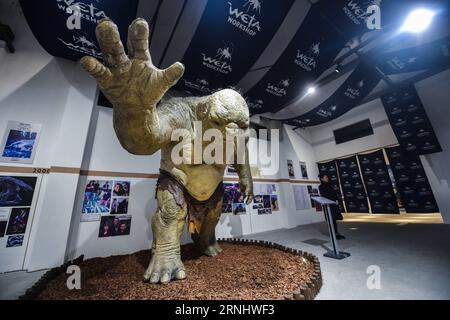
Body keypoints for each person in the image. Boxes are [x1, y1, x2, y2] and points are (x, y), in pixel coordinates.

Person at [318, 173, 345, 240]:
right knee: (331, 220)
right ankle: (333, 235)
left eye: (327, 177)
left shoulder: (330, 185)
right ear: (322, 179)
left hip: (334, 205)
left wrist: (336, 200)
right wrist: (333, 200)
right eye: (325, 177)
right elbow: (325, 196)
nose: (327, 178)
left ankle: (336, 233)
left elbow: (334, 194)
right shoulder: (321, 186)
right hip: (328, 206)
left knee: (334, 220)